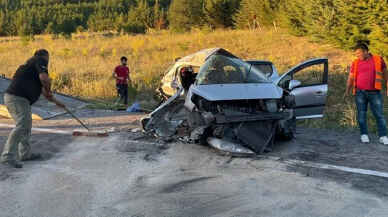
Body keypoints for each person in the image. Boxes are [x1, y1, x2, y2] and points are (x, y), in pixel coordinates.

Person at [1, 49, 65, 168]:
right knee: (22, 125)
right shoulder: (40, 60)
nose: (48, 62)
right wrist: (49, 89)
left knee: (26, 125)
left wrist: (58, 103)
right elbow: (45, 80)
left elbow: (45, 92)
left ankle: (25, 154)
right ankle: (7, 156)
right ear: (44, 57)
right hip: (17, 98)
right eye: (48, 58)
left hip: (16, 99)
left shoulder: (30, 69)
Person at [345, 43, 388, 144]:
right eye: (356, 54)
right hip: (360, 93)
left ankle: (383, 136)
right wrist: (347, 90)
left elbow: (386, 75)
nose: (357, 56)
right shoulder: (355, 62)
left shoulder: (378, 59)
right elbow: (350, 77)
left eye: (359, 53)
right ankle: (364, 135)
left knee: (379, 115)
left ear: (366, 51)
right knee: (361, 114)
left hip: (375, 92)